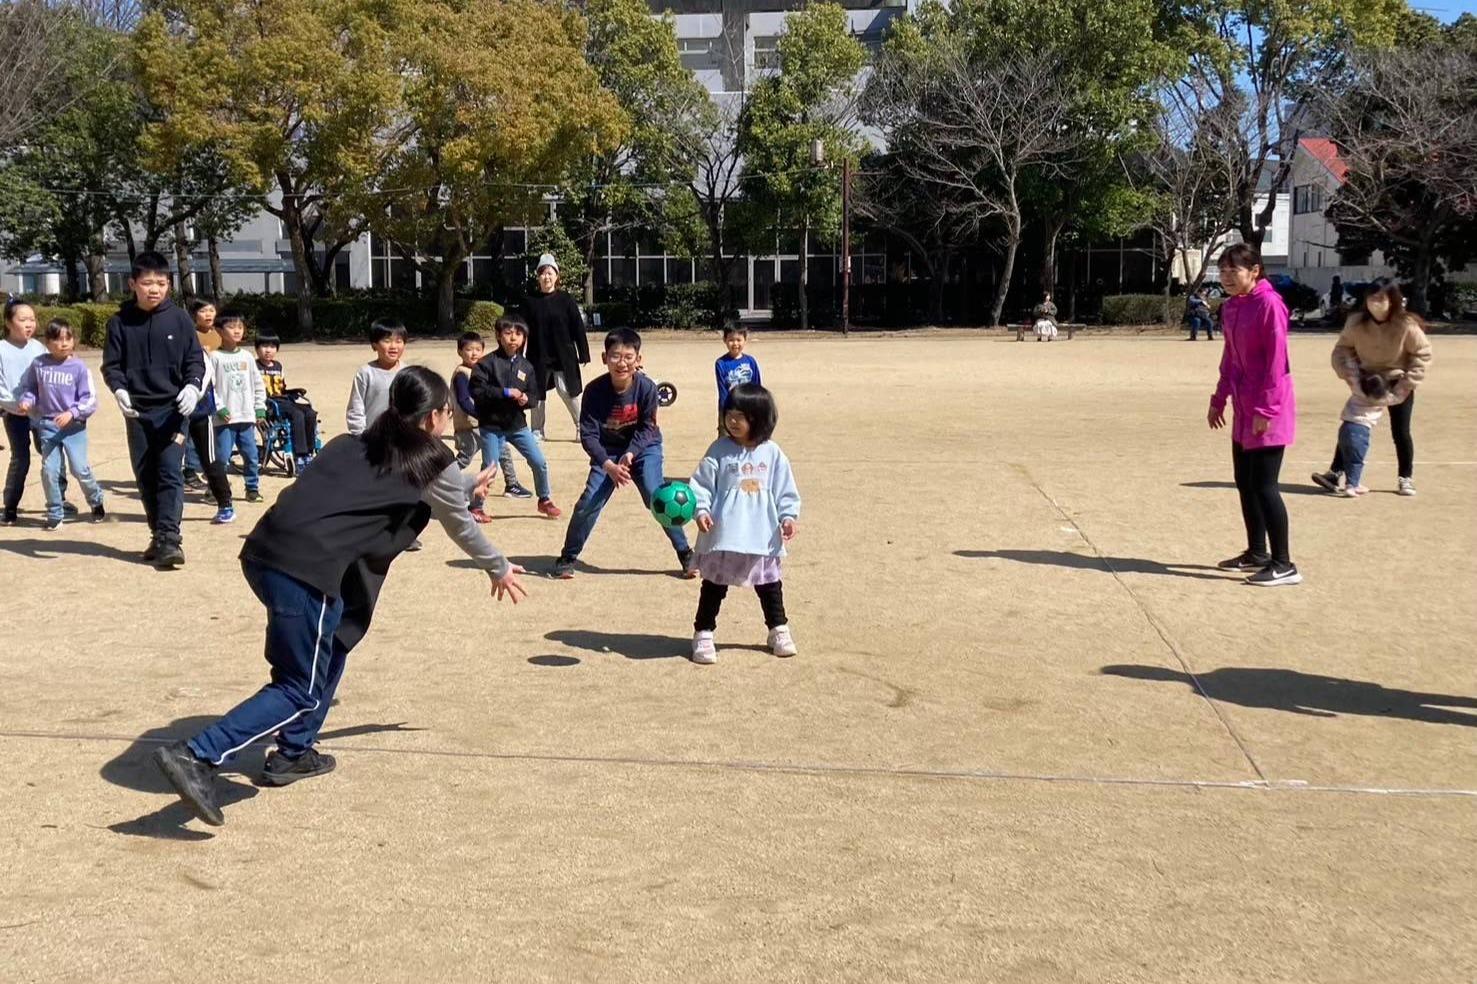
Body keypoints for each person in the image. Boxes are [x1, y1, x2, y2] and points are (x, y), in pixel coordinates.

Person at [151, 367, 528, 827]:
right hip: (307, 571)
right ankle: (197, 754)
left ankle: (293, 752)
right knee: (298, 688)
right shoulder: (431, 460)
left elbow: (426, 490)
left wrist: (468, 486)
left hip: (264, 553)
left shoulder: (355, 442)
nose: (450, 419)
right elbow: (460, 524)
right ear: (433, 418)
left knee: (337, 641)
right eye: (448, 412)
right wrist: (499, 566)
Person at [550, 328, 695, 580]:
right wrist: (608, 464)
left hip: (643, 449)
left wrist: (630, 454)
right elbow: (589, 435)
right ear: (604, 358)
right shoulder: (595, 391)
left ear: (638, 360)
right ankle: (568, 557)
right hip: (607, 453)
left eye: (629, 357)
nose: (622, 363)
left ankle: (686, 553)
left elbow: (647, 427)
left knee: (656, 494)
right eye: (615, 356)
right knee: (589, 501)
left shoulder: (647, 388)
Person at [101, 250, 208, 568]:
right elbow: (112, 365)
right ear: (132, 284)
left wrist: (193, 386)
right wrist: (118, 389)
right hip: (137, 413)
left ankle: (170, 539)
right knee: (145, 474)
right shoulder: (119, 323)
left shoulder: (179, 319)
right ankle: (158, 535)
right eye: (147, 283)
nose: (154, 289)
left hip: (174, 410)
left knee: (169, 471)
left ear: (169, 285)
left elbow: (194, 360)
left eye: (161, 283)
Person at [687, 383, 801, 665]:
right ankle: (703, 633)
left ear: (760, 418)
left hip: (761, 533)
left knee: (769, 584)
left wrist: (788, 516)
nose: (733, 421)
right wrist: (700, 510)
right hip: (725, 533)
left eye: (741, 416)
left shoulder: (772, 453)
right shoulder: (719, 449)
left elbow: (785, 489)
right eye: (730, 415)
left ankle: (778, 629)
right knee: (714, 585)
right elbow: (701, 485)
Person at [1207, 243, 1301, 587]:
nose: (1228, 278)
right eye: (1224, 271)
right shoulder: (1231, 307)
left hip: (1268, 408)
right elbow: (1230, 358)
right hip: (1244, 409)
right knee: (1245, 482)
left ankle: (1284, 563)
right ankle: (1256, 552)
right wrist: (1219, 398)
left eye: (1235, 271)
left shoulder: (1269, 305)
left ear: (1254, 271)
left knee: (1265, 486)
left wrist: (1266, 409)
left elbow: (1277, 362)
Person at [1311, 279, 1431, 497]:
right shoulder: (1356, 322)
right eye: (1371, 298)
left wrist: (1405, 386)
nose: (1375, 304)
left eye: (1381, 299)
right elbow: (1342, 349)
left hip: (1397, 381)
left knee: (1401, 431)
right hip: (1368, 382)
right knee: (1352, 425)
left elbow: (1423, 354)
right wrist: (1351, 376)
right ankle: (1335, 472)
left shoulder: (1406, 325)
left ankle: (1405, 477)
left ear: (1392, 301)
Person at [14, 319, 106, 529]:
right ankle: (55, 512)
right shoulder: (39, 364)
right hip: (47, 426)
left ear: (74, 341)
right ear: (47, 342)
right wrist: (27, 401)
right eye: (57, 339)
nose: (63, 343)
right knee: (50, 470)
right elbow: (31, 389)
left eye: (68, 338)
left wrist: (72, 413)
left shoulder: (79, 367)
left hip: (74, 428)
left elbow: (89, 400)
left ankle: (96, 499)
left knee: (80, 469)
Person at [469, 316, 561, 521]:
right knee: (490, 468)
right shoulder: (486, 364)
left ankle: (544, 500)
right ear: (498, 336)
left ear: (524, 338)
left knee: (539, 461)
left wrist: (527, 400)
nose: (513, 338)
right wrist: (504, 392)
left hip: (516, 425)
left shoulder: (526, 367)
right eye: (508, 333)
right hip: (491, 425)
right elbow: (477, 390)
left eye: (518, 334)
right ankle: (476, 507)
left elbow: (535, 396)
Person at [2, 298, 71, 524]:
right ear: (8, 323)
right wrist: (15, 404)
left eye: (32, 319)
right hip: (15, 414)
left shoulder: (39, 348)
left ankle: (60, 500)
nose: (29, 324)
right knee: (20, 459)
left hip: (43, 414)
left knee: (52, 454)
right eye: (23, 320)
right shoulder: (2, 350)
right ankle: (10, 507)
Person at [450, 330, 524, 508]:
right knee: (465, 457)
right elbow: (464, 401)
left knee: (503, 451)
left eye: (478, 349)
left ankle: (512, 484)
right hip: (470, 425)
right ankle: (439, 478)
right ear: (460, 352)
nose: (474, 353)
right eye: (468, 349)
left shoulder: (481, 371)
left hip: (485, 424)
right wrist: (482, 414)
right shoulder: (462, 374)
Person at [523, 253, 589, 439]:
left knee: (568, 391)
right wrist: (518, 355)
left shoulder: (566, 300)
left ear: (556, 276)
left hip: (563, 355)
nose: (546, 277)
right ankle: (537, 430)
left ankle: (581, 427)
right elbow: (521, 330)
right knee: (537, 393)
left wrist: (583, 352)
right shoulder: (530, 302)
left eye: (550, 273)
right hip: (538, 355)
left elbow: (577, 327)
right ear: (538, 277)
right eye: (543, 273)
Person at [180, 300, 235, 518]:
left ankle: (225, 502)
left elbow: (206, 375)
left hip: (201, 409)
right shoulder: (173, 342)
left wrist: (194, 392)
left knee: (209, 457)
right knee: (171, 457)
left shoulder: (200, 346)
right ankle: (171, 508)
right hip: (175, 410)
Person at [211, 312, 267, 504]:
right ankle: (217, 488)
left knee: (251, 455)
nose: (237, 331)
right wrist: (219, 407)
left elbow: (258, 384)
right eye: (231, 327)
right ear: (219, 330)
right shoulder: (215, 357)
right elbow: (209, 388)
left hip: (246, 417)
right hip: (225, 419)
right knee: (222, 457)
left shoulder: (247, 357)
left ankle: (252, 488)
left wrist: (259, 408)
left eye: (240, 327)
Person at [256, 333, 320, 473]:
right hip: (269, 403)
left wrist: (293, 391)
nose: (268, 350)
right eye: (264, 346)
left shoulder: (278, 366)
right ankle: (300, 455)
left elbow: (282, 388)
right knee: (297, 415)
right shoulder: (255, 366)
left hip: (283, 400)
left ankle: (309, 451)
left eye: (272, 347)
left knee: (309, 412)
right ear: (257, 349)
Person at [1332, 373, 1401, 499]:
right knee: (1356, 460)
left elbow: (1352, 379)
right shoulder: (1381, 399)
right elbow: (1398, 398)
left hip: (1345, 427)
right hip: (1360, 430)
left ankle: (1354, 483)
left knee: (1348, 457)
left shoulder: (1357, 393)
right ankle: (1351, 486)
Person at [181, 299, 221, 489]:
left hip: (213, 390)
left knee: (209, 432)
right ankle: (190, 470)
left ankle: (206, 468)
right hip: (196, 390)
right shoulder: (191, 335)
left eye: (211, 310)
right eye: (203, 311)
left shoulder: (219, 335)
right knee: (191, 433)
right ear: (194, 315)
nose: (208, 314)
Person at [345, 319, 407, 436]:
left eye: (399, 341)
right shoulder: (366, 373)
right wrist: (360, 435)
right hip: (372, 436)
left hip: (401, 438)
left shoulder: (408, 373)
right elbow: (356, 407)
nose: (393, 346)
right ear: (374, 345)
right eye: (387, 341)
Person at [714, 325, 761, 434]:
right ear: (724, 340)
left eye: (739, 340)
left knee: (751, 435)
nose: (735, 344)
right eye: (731, 340)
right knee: (726, 438)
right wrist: (727, 411)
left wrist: (758, 405)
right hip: (729, 407)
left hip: (749, 406)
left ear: (745, 340)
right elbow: (723, 391)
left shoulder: (750, 361)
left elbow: (757, 385)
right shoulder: (721, 363)